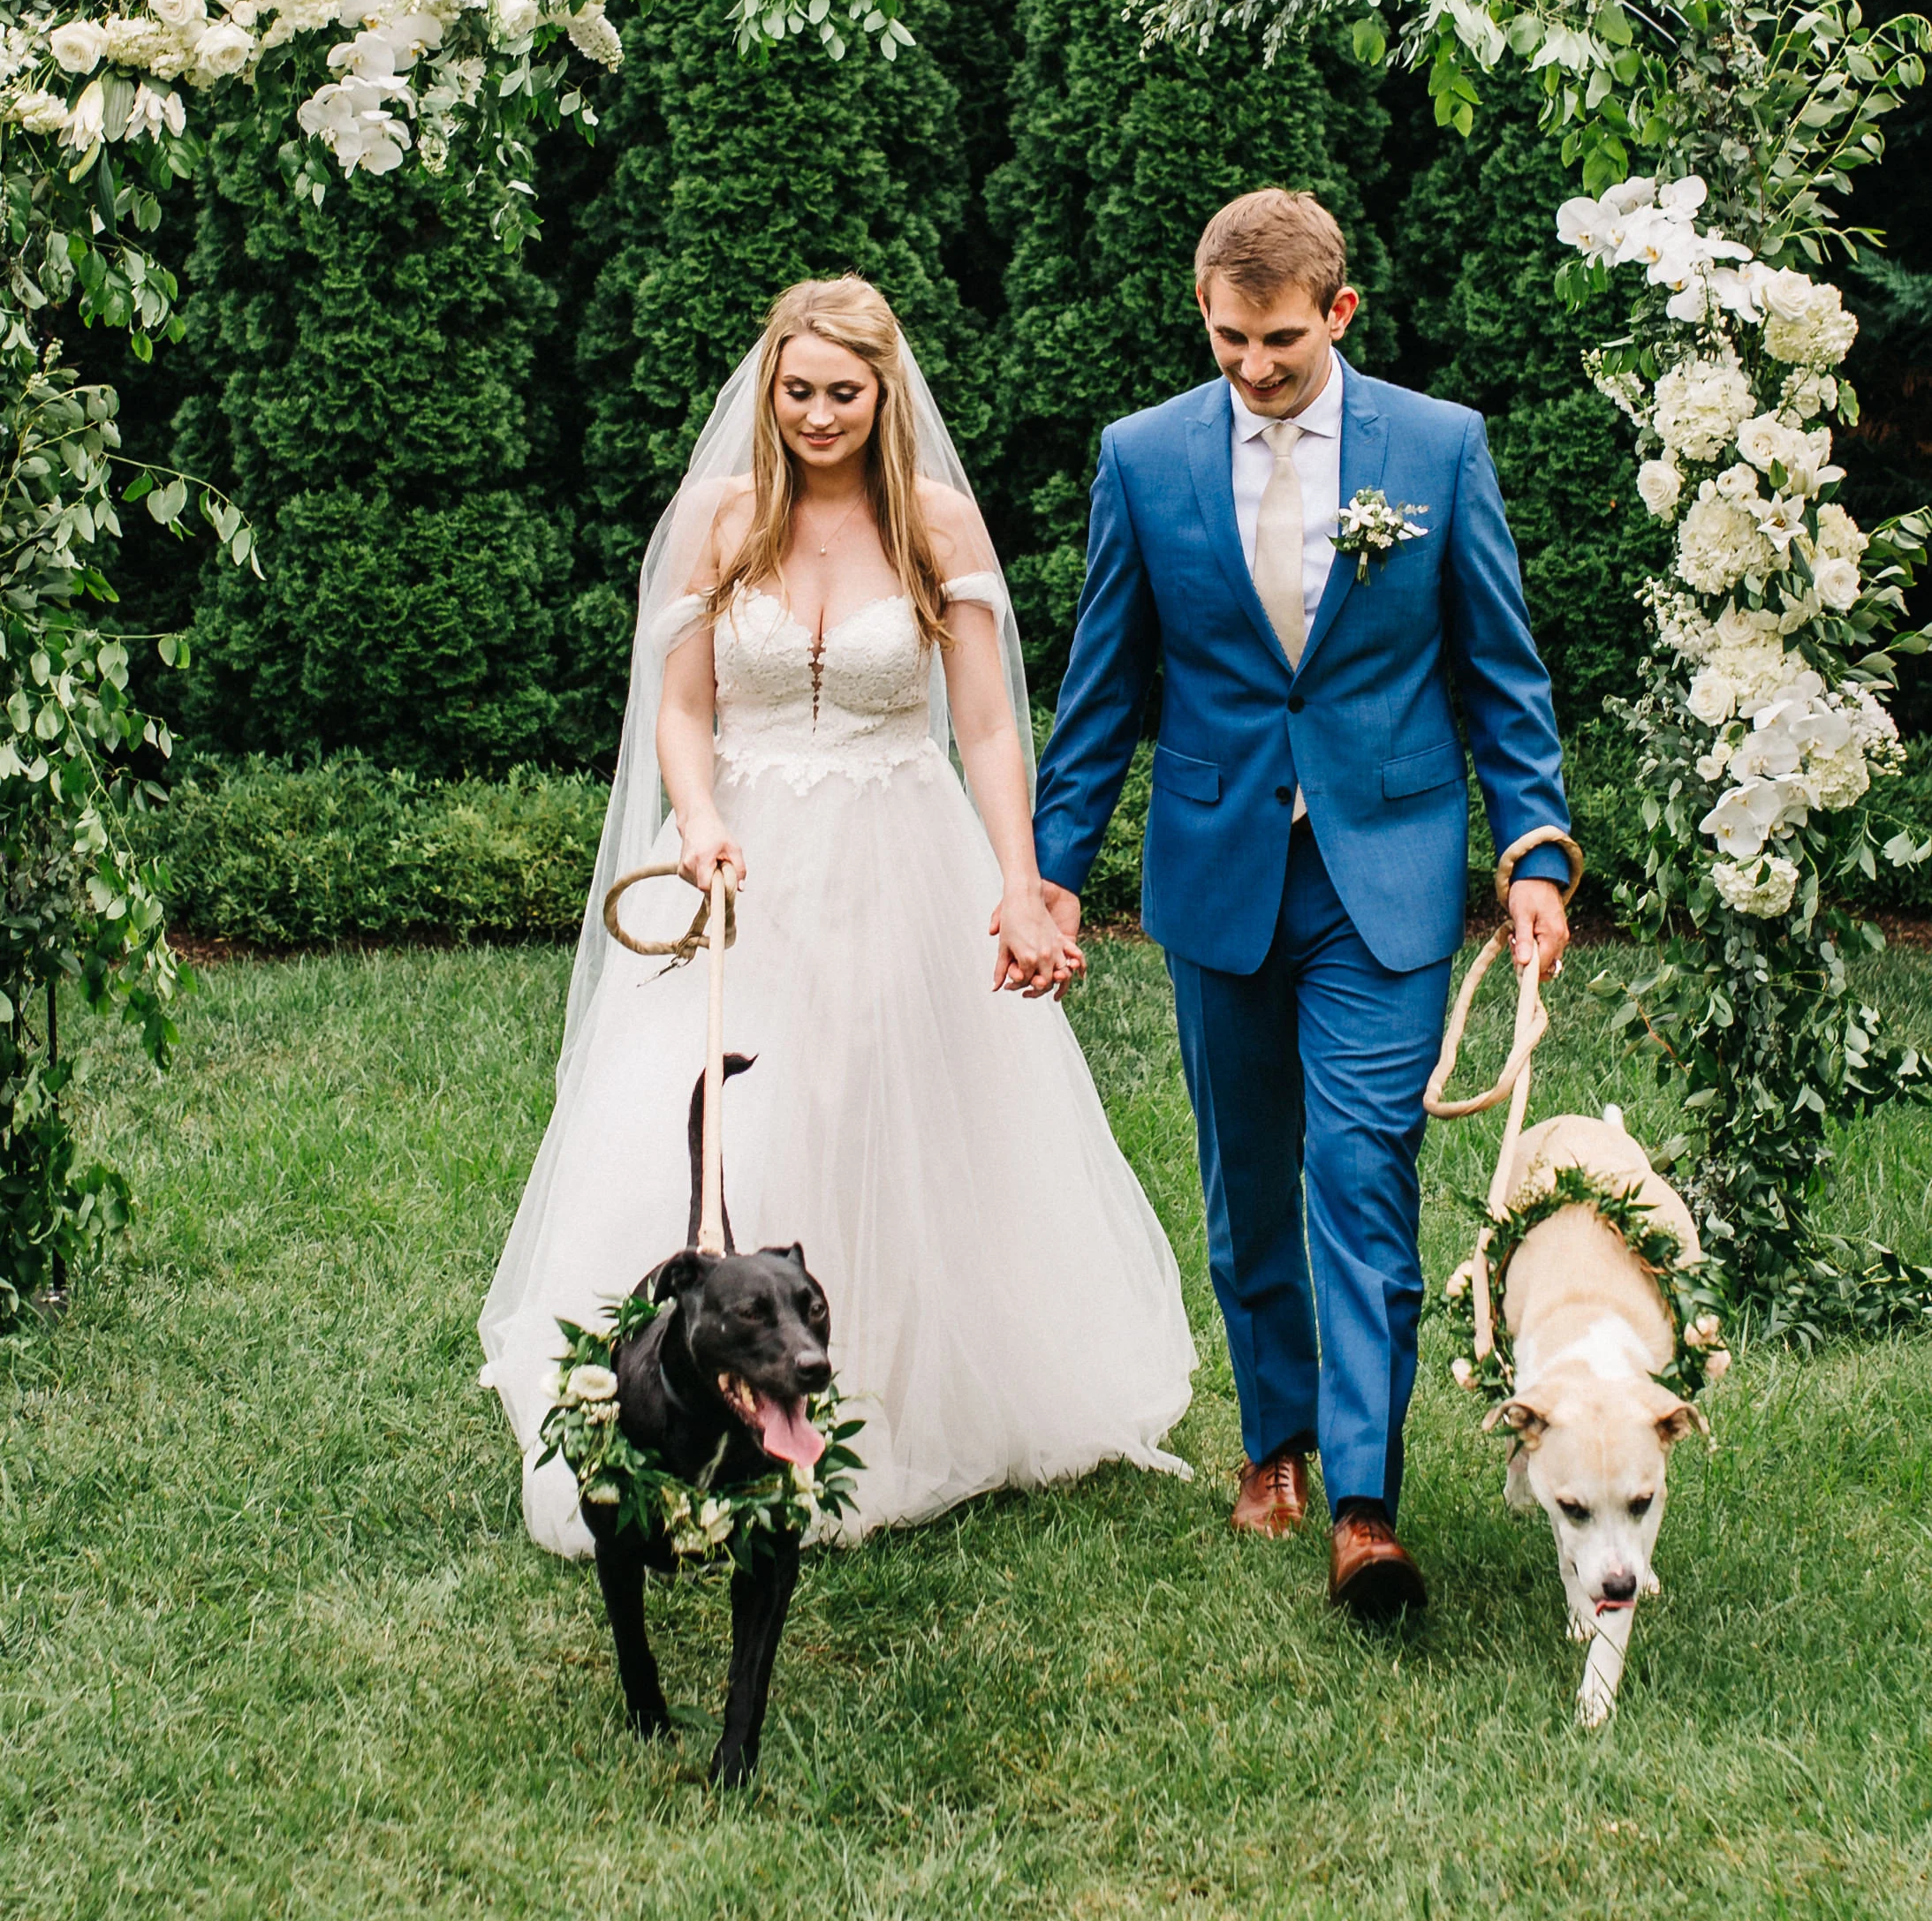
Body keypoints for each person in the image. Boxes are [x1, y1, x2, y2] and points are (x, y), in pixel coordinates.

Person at [481, 274, 1194, 1547]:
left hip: (895, 848)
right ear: (769, 388)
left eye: (843, 394)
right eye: (797, 390)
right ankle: (694, 1399)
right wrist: (696, 818)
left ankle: (906, 1400)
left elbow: (983, 723)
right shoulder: (716, 517)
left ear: (883, 396)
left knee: (886, 1102)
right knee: (731, 1104)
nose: (818, 415)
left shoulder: (933, 522)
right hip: (741, 859)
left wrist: (1019, 881)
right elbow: (683, 706)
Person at [1030, 190, 1573, 1618]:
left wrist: (1532, 852)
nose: (1250, 367)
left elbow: (1500, 677)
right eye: (1226, 340)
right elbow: (1101, 690)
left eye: (1276, 340)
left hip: (1382, 877)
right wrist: (1049, 872)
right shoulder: (1142, 460)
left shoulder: (1437, 449)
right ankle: (1271, 1439)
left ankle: (1360, 1501)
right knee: (1245, 1184)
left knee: (1360, 1180)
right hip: (1218, 873)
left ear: (1338, 313)